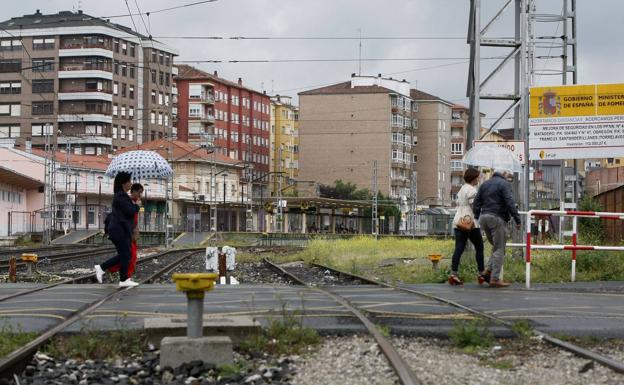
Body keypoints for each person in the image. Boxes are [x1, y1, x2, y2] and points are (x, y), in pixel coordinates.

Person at [473, 169, 521, 288]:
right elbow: (510, 202)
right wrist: (517, 219)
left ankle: (488, 271)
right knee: (499, 248)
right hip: (497, 218)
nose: (509, 177)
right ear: (504, 174)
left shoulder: (485, 184)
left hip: (484, 218)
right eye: (508, 174)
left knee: (496, 247)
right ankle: (495, 278)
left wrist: (476, 215)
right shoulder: (504, 184)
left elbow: (476, 201)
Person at [94, 172, 141, 287]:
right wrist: (137, 205)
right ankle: (122, 279)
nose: (131, 183)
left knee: (125, 254)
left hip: (120, 230)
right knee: (126, 254)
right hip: (119, 230)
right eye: (129, 181)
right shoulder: (121, 196)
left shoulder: (121, 195)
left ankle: (102, 268)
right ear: (123, 183)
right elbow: (130, 211)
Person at [448, 168, 486, 286]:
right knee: (479, 247)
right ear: (474, 178)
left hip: (458, 221)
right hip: (470, 223)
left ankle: (454, 274)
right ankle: (481, 274)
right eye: (478, 177)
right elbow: (474, 206)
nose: (479, 179)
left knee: (459, 248)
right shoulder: (471, 190)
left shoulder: (462, 189)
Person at [107, 183, 142, 278]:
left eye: (141, 193)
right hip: (126, 231)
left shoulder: (135, 202)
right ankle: (119, 273)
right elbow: (129, 215)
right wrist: (136, 206)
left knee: (130, 255)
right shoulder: (128, 201)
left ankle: (119, 273)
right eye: (139, 192)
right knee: (130, 255)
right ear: (133, 191)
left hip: (131, 231)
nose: (140, 195)